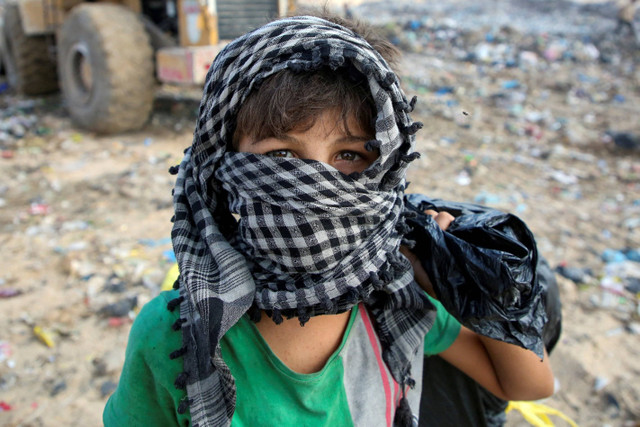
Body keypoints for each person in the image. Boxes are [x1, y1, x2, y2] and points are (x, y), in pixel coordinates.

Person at [103, 13, 554, 426]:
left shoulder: (396, 300)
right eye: (281, 155)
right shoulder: (174, 338)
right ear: (223, 170)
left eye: (349, 155)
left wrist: (454, 279)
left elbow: (528, 385)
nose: (318, 186)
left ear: (386, 170)